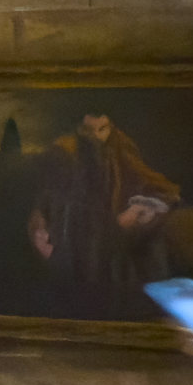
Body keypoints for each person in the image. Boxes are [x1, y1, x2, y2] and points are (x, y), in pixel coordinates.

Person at [27, 110, 182, 320]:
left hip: (114, 245)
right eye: (90, 129)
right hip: (75, 241)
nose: (97, 135)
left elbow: (153, 186)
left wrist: (136, 212)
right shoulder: (64, 152)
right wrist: (39, 230)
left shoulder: (121, 148)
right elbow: (47, 199)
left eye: (103, 129)